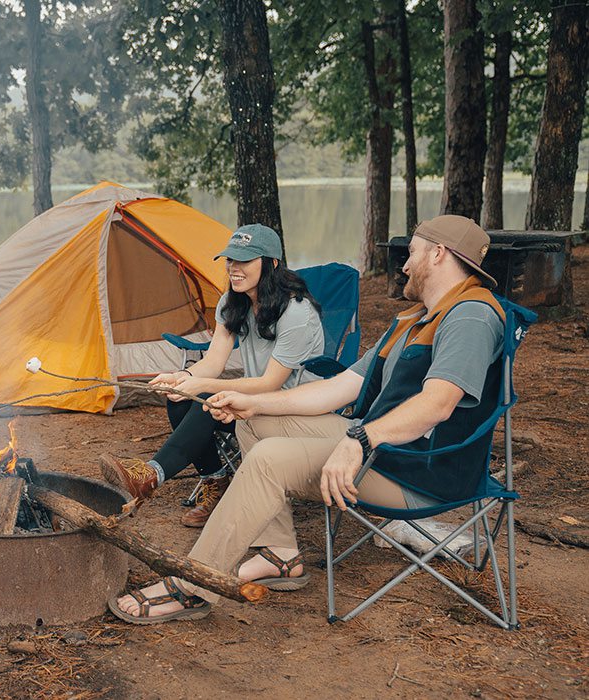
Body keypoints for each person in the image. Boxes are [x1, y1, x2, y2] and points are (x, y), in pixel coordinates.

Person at [109, 214, 505, 624]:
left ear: (439, 254)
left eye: (413, 253)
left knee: (269, 460)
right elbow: (338, 390)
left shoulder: (469, 317)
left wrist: (360, 440)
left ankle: (192, 584)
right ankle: (279, 554)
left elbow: (438, 405)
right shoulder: (415, 319)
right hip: (389, 451)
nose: (403, 264)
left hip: (420, 474)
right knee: (252, 423)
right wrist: (255, 405)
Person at [99, 223, 324, 527]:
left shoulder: (297, 313)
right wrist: (181, 377)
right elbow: (214, 361)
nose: (234, 268)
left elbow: (270, 383)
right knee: (181, 397)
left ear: (271, 264)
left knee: (203, 396)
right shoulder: (234, 300)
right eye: (231, 260)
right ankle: (215, 483)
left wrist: (199, 384)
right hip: (254, 407)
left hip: (298, 414)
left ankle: (151, 475)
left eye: (244, 261)